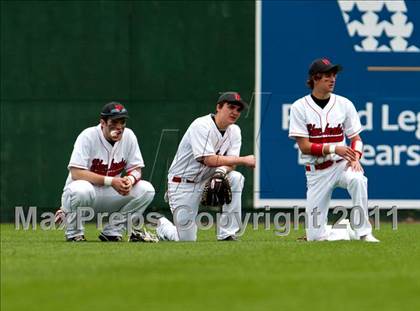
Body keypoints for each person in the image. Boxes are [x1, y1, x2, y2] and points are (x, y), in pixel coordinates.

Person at [288, 58, 379, 242]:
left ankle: (364, 232)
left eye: (334, 75)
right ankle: (344, 229)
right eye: (327, 75)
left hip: (341, 165)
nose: (333, 79)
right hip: (316, 173)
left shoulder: (344, 104)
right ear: (315, 78)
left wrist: (355, 158)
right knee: (315, 237)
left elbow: (357, 139)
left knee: (358, 179)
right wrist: (334, 148)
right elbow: (305, 147)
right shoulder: (299, 107)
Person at [156, 92, 256, 241]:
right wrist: (244, 160)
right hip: (183, 184)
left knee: (236, 178)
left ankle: (227, 234)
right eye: (231, 107)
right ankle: (162, 225)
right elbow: (208, 159)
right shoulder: (201, 125)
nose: (235, 112)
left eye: (238, 109)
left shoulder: (235, 131)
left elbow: (231, 163)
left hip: (207, 179)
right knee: (186, 240)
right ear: (219, 107)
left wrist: (220, 172)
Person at [59, 102, 155, 242]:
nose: (119, 127)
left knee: (147, 189)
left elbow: (136, 169)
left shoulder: (129, 136)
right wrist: (111, 181)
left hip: (110, 194)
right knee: (81, 189)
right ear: (102, 122)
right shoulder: (88, 136)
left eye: (122, 122)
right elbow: (76, 173)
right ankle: (74, 233)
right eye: (114, 122)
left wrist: (130, 180)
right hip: (82, 197)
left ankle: (113, 231)